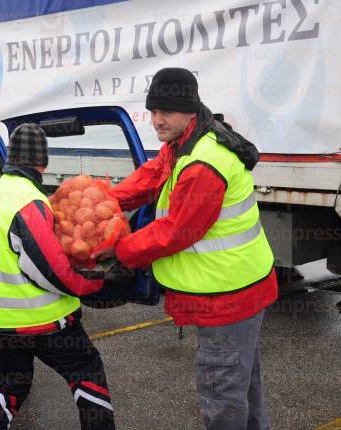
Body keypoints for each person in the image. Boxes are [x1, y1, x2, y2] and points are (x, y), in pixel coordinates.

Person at [100, 68, 278, 429]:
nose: (157, 120)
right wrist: (101, 202)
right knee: (244, 388)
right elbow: (152, 176)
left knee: (223, 398)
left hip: (226, 299)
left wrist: (118, 249)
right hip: (238, 290)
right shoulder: (186, 144)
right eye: (153, 111)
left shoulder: (203, 164)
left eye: (166, 111)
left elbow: (176, 232)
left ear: (190, 110)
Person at [0, 123, 115, 430]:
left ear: (12, 157)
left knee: (7, 386)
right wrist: (97, 284)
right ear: (43, 162)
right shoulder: (28, 200)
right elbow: (51, 271)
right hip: (44, 321)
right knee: (86, 373)